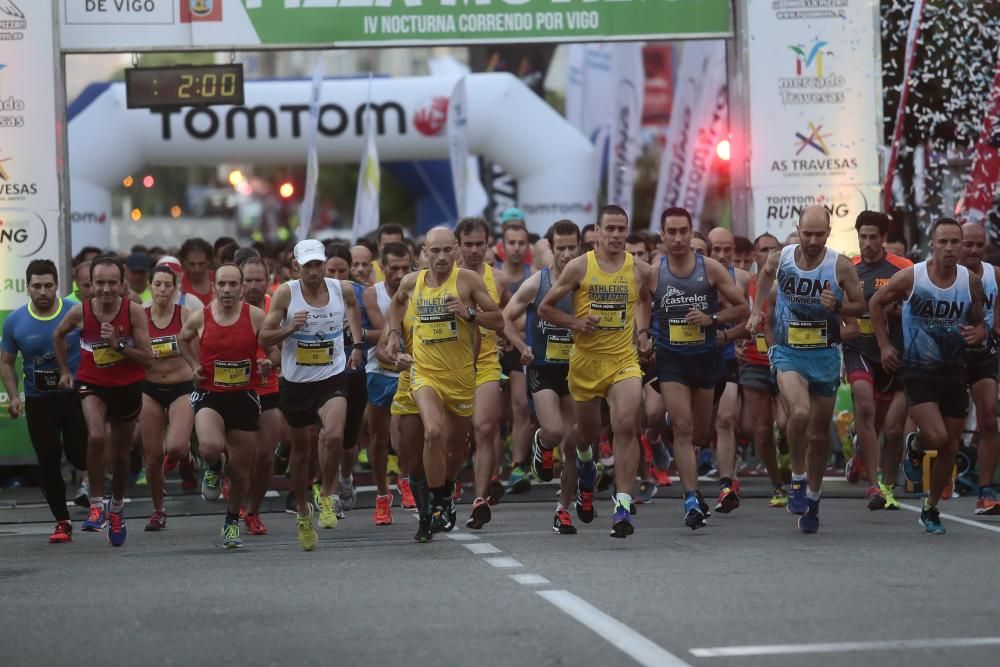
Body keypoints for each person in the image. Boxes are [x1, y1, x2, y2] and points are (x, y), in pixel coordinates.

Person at [539, 205, 653, 538]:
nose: (616, 235)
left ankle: (622, 504)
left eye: (622, 229)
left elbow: (645, 300)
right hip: (586, 363)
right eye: (610, 229)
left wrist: (643, 333)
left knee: (626, 424)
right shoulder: (579, 267)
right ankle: (581, 471)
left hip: (623, 362)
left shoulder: (639, 269)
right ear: (598, 231)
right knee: (585, 435)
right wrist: (576, 323)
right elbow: (545, 308)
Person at [749, 205, 864, 534]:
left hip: (825, 355)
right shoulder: (782, 257)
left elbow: (861, 305)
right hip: (788, 353)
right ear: (798, 230)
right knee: (797, 413)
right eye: (806, 233)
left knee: (818, 435)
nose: (812, 240)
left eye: (819, 234)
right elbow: (765, 275)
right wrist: (756, 312)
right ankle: (797, 481)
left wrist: (838, 305)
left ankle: (813, 498)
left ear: (829, 232)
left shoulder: (839, 265)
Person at [386, 227, 504, 541]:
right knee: (433, 432)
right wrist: (394, 335)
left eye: (445, 251)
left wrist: (469, 314)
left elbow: (498, 320)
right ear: (424, 252)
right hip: (425, 374)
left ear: (455, 250)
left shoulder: (468, 281)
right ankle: (436, 505)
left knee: (454, 450)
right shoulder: (412, 282)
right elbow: (396, 305)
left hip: (462, 377)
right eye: (433, 251)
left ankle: (443, 495)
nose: (440, 257)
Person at [870, 218, 986, 534]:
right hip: (918, 370)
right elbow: (876, 303)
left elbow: (979, 322)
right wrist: (884, 345)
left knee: (950, 447)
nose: (950, 248)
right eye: (943, 242)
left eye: (955, 242)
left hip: (954, 370)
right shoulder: (912, 277)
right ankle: (916, 444)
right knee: (935, 436)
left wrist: (979, 332)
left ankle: (930, 508)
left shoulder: (970, 281)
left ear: (961, 246)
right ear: (932, 245)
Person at [260, 240, 365, 551]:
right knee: (302, 453)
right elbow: (264, 336)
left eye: (318, 264)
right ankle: (304, 512)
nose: (314, 271)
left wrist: (357, 344)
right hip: (296, 383)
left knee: (334, 435)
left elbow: (353, 309)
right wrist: (289, 328)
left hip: (332, 377)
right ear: (296, 267)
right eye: (308, 266)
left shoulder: (340, 288)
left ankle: (328, 494)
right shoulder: (285, 293)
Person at [652, 210, 748, 528]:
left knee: (701, 433)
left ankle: (683, 443)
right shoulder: (655, 272)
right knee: (683, 428)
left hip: (706, 357)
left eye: (683, 231)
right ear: (662, 235)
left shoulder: (709, 268)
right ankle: (691, 498)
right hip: (671, 358)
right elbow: (639, 302)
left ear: (691, 231)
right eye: (672, 232)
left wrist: (713, 319)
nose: (678, 238)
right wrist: (642, 333)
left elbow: (743, 308)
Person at [53, 256, 154, 547]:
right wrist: (64, 371)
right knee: (97, 436)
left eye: (112, 283)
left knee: (121, 456)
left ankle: (117, 507)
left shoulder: (133, 312)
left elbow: (148, 359)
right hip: (91, 384)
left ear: (122, 284)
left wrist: (119, 345)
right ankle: (97, 503)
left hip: (126, 386)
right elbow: (58, 335)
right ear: (89, 285)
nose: (106, 289)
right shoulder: (80, 312)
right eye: (100, 283)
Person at [179, 264, 271, 549]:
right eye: (222, 284)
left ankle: (231, 522)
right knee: (209, 445)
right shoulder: (201, 317)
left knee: (242, 472)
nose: (228, 290)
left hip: (244, 396)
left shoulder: (256, 316)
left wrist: (269, 363)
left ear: (242, 287)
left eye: (233, 284)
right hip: (211, 395)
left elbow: (274, 349)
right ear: (214, 286)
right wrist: (194, 365)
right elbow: (182, 340)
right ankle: (212, 465)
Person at [504, 220, 582, 533]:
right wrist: (522, 345)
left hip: (577, 369)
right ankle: (541, 441)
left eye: (571, 247)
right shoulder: (538, 282)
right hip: (544, 369)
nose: (566, 254)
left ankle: (563, 508)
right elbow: (505, 318)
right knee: (553, 430)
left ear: (579, 246)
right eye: (560, 248)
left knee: (573, 444)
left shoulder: (586, 281)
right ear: (550, 248)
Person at [0, 260, 87, 543]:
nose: (43, 292)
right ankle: (62, 520)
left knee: (78, 456)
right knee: (48, 461)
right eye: (37, 286)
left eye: (48, 285)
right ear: (27, 288)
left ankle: (99, 495)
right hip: (39, 401)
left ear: (57, 286)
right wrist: (14, 396)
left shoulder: (74, 313)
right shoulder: (16, 321)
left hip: (75, 397)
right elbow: (7, 362)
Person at [841, 211, 912, 511]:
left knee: (893, 429)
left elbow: (919, 307)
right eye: (862, 237)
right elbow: (838, 309)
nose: (867, 243)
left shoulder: (903, 268)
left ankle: (885, 480)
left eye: (873, 237)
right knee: (866, 407)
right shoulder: (847, 268)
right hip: (860, 348)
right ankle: (874, 485)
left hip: (897, 353)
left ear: (884, 238)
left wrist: (899, 310)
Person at [454, 217, 514, 524]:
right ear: (458, 246)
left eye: (480, 244)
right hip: (449, 366)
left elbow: (505, 315)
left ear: (488, 244)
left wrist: (510, 337)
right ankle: (445, 490)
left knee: (484, 428)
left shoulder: (499, 279)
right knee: (455, 437)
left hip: (487, 363)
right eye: (469, 245)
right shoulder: (442, 278)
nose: (475, 250)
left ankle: (479, 499)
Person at [139, 266, 196, 531]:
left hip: (181, 386)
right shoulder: (140, 316)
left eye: (167, 285)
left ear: (175, 288)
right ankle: (158, 510)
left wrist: (195, 365)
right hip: (149, 389)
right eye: (158, 284)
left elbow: (198, 353)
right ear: (150, 286)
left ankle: (186, 457)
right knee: (152, 457)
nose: (162, 289)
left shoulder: (185, 315)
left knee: (174, 446)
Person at [363, 241, 414, 525]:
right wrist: (395, 358)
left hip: (411, 371)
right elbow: (384, 338)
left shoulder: (420, 290)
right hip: (380, 370)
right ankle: (382, 495)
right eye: (393, 268)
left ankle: (405, 479)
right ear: (382, 268)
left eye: (405, 267)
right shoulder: (374, 295)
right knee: (379, 438)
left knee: (404, 433)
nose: (399, 274)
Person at [739, 233, 787, 507]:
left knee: (787, 423)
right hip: (754, 362)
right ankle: (776, 484)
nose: (769, 254)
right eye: (763, 250)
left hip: (785, 360)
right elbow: (732, 314)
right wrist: (732, 340)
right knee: (761, 429)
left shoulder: (792, 284)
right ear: (755, 255)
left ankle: (793, 470)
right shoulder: (746, 285)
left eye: (774, 249)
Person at [706, 226, 752, 514]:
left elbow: (748, 320)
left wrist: (728, 337)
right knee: (698, 429)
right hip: (694, 355)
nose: (722, 256)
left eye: (727, 250)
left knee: (726, 419)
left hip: (725, 355)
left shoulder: (744, 278)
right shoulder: (697, 275)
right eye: (716, 250)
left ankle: (726, 485)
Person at [956, 222, 1000, 515]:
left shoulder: (995, 274)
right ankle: (943, 478)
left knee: (988, 420)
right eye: (967, 244)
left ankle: (985, 492)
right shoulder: (941, 273)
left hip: (984, 355)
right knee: (948, 428)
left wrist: (987, 331)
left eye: (978, 245)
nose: (973, 250)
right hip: (949, 357)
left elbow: (997, 321)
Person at [240, 256, 283, 535]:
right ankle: (227, 480)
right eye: (249, 280)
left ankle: (253, 510)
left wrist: (272, 362)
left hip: (268, 388)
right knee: (239, 458)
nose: (254, 285)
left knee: (266, 457)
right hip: (234, 390)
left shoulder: (275, 307)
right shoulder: (228, 309)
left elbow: (285, 347)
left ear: (268, 281)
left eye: (259, 280)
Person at [498, 221, 534, 494]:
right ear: (503, 245)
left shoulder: (533, 276)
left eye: (522, 242)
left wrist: (512, 330)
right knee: (496, 415)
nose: (517, 248)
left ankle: (520, 466)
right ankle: (494, 466)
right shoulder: (493, 276)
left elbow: (522, 320)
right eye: (512, 242)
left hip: (522, 349)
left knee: (521, 407)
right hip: (495, 350)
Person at [179, 238, 215, 307]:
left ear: (208, 261)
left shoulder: (218, 279)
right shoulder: (178, 283)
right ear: (184, 262)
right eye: (192, 264)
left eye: (201, 264)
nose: (197, 269)